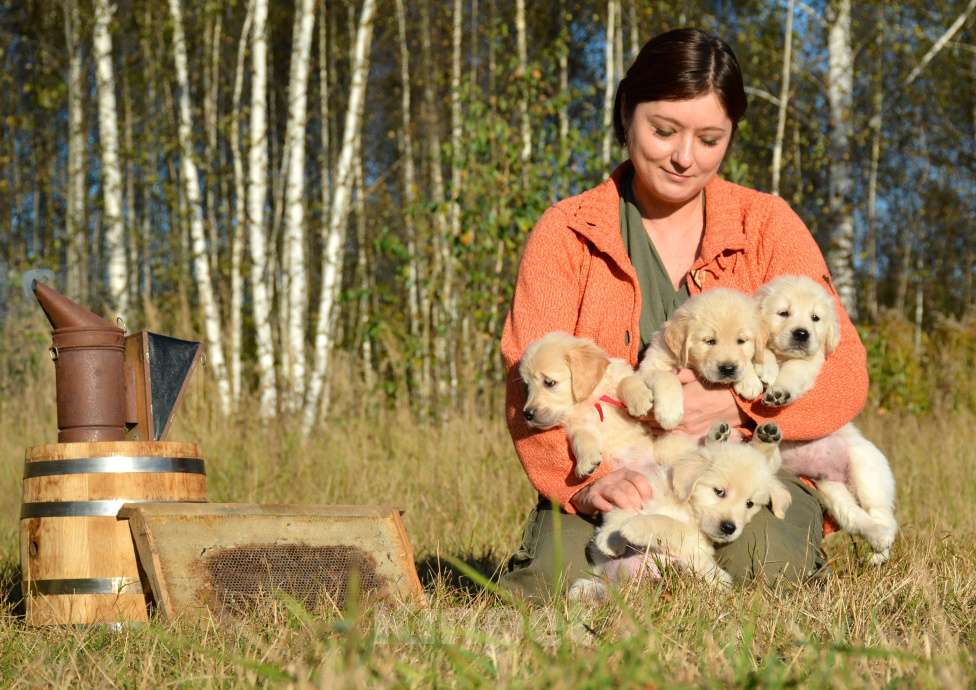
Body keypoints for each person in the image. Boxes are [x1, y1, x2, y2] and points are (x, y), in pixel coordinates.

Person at [499, 28, 867, 600]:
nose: (683, 157)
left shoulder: (766, 224)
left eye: (710, 138)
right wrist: (590, 485)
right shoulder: (567, 232)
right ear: (627, 114)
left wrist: (740, 402)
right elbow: (524, 382)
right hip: (618, 470)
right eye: (663, 131)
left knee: (763, 565)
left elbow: (845, 374)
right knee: (550, 587)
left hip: (737, 475)